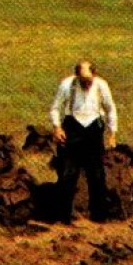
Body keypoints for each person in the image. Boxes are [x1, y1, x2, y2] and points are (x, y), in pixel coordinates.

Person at [48, 60, 119, 222]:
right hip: (73, 128)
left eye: (89, 80)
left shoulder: (101, 86)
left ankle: (99, 216)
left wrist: (112, 133)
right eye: (83, 79)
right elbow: (55, 107)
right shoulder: (67, 85)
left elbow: (110, 108)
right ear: (77, 75)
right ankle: (63, 217)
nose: (86, 83)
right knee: (68, 174)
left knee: (97, 175)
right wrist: (57, 127)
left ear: (94, 75)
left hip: (94, 129)